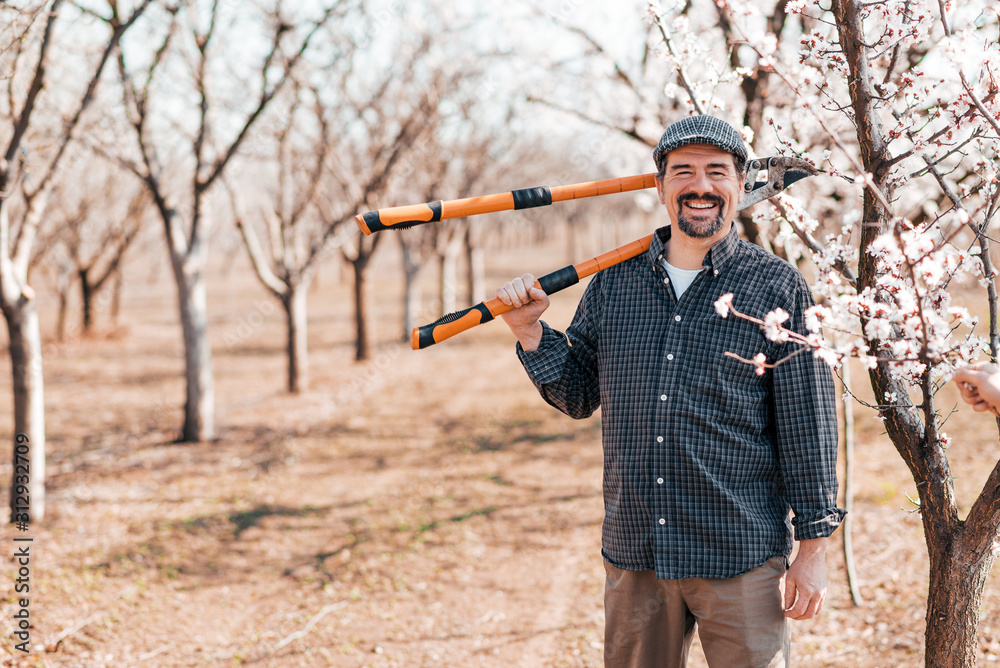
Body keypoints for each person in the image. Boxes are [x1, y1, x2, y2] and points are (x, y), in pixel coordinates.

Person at [495, 115, 845, 668]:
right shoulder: (615, 282)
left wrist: (814, 551)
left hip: (740, 553)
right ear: (660, 188)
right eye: (683, 172)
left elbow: (810, 425)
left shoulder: (777, 286)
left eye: (716, 172)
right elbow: (580, 395)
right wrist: (532, 334)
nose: (700, 186)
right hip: (637, 552)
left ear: (739, 184)